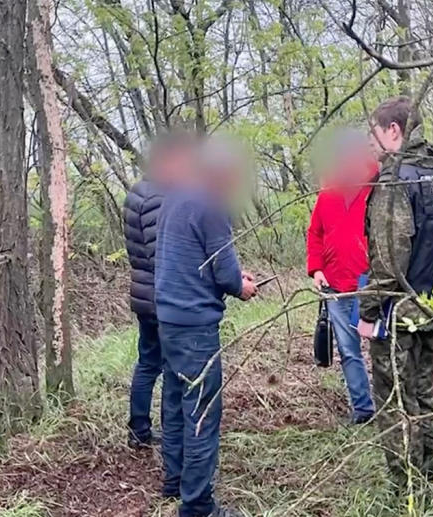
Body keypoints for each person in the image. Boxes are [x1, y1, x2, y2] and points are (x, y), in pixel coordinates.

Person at [356, 96, 433, 490]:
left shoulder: (396, 180)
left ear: (394, 130)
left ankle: (408, 492)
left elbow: (389, 259)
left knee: (395, 403)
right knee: (423, 395)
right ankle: (429, 474)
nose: (371, 144)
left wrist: (368, 313)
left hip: (397, 312)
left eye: (374, 134)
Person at [155, 136, 257, 517]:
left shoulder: (175, 198)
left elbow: (192, 260)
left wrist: (227, 276)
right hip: (196, 325)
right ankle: (197, 505)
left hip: (168, 319)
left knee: (175, 402)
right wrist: (241, 285)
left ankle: (174, 479)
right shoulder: (212, 205)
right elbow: (226, 273)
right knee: (202, 412)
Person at [124, 132, 198, 449]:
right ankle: (166, 433)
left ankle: (139, 429)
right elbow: (162, 255)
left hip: (144, 294)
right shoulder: (156, 199)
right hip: (159, 297)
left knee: (148, 361)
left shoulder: (140, 191)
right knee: (164, 366)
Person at [306, 129, 378, 424]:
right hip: (335, 287)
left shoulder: (380, 188)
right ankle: (363, 411)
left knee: (383, 349)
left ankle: (393, 407)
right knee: (349, 352)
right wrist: (317, 269)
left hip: (371, 285)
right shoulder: (328, 193)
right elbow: (315, 234)